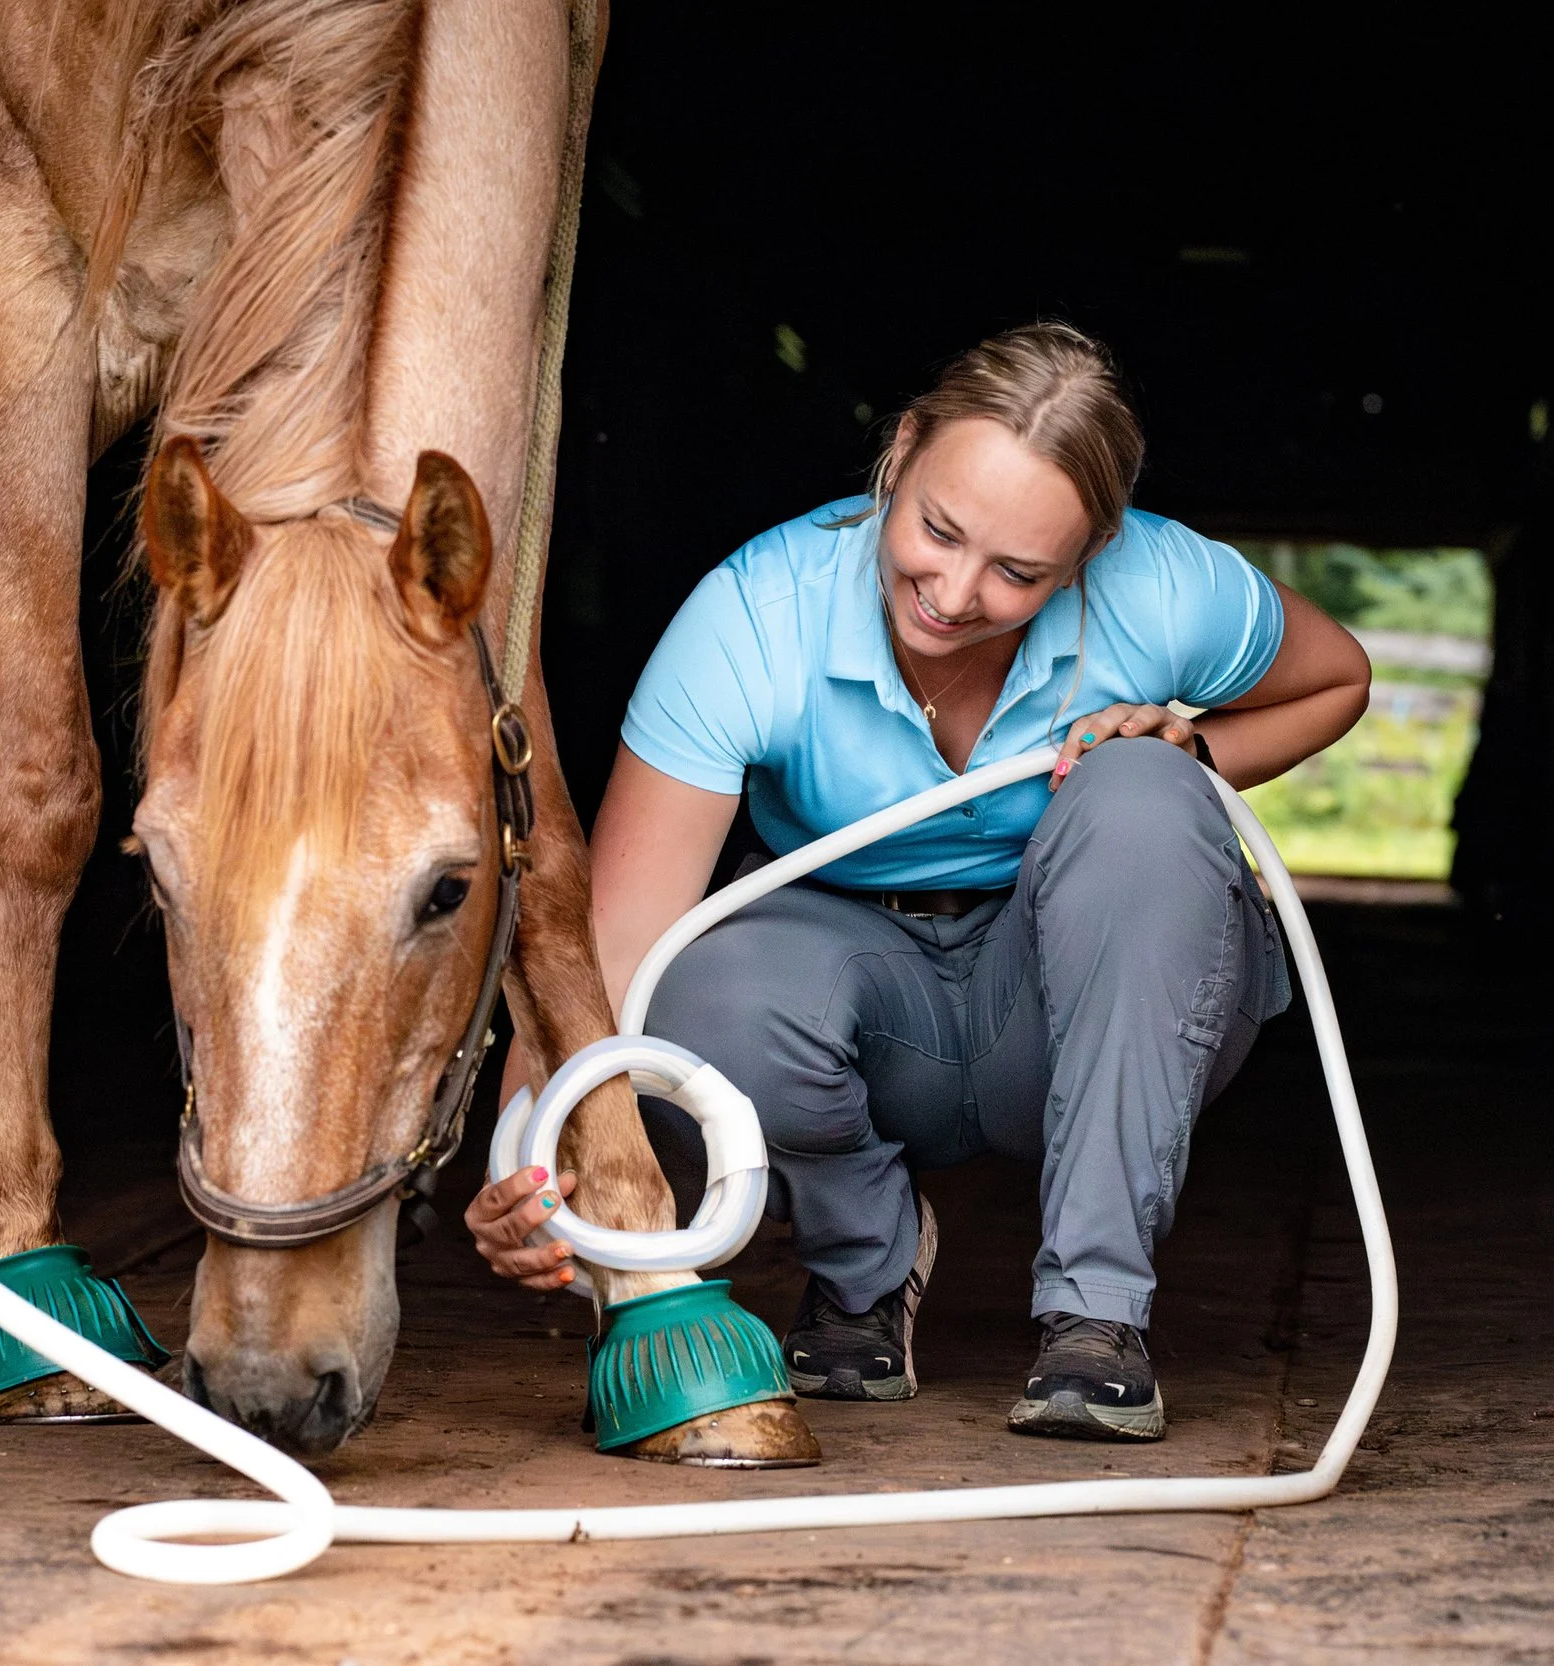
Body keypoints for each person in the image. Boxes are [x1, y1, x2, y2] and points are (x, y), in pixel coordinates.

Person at [468, 323, 1370, 1442]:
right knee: (698, 981)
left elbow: (1337, 678)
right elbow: (611, 945)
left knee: (1145, 794)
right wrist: (526, 1153)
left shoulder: (1165, 584)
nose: (952, 592)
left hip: (1067, 993)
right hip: (850, 990)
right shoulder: (755, 612)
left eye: (1019, 572)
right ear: (899, 455)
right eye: (937, 531)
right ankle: (866, 1266)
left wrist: (1192, 752)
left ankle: (1097, 1312)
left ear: (1091, 557)